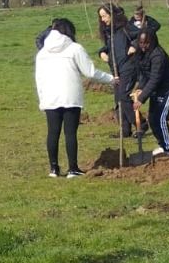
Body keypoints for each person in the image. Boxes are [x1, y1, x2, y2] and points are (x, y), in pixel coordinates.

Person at [35, 17, 115, 178]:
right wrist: (111, 79)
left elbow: (39, 78)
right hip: (70, 96)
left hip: (50, 97)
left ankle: (54, 169)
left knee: (53, 132)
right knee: (70, 132)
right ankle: (73, 168)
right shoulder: (74, 48)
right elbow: (90, 72)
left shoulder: (42, 52)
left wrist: (42, 98)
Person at [131, 29, 169, 156]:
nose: (143, 46)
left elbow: (155, 78)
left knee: (161, 118)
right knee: (152, 119)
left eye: (147, 43)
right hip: (156, 90)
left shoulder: (158, 55)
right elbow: (143, 73)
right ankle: (161, 145)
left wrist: (141, 98)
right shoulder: (140, 53)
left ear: (153, 42)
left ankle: (167, 148)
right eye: (141, 42)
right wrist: (140, 87)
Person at [97, 4, 142, 143]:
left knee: (123, 96)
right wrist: (102, 52)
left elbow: (143, 35)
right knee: (118, 99)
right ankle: (125, 130)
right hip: (116, 70)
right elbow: (110, 46)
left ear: (112, 14)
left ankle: (141, 124)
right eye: (101, 17)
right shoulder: (108, 32)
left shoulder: (125, 28)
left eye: (105, 15)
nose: (103, 19)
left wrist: (134, 46)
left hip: (128, 67)